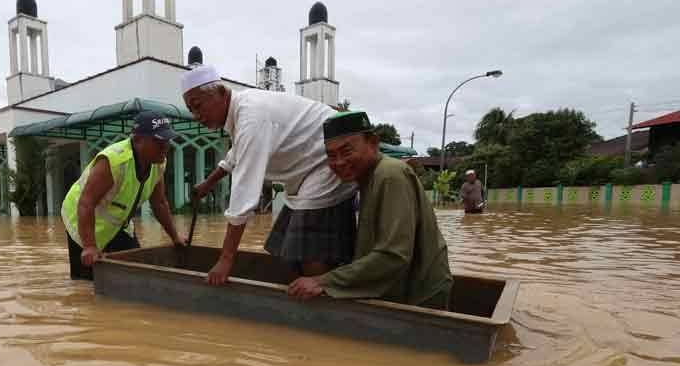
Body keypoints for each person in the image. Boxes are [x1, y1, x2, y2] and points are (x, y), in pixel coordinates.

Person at [181, 65, 357, 286]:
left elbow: (243, 195)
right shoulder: (241, 112)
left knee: (311, 250)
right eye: (191, 110)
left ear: (222, 93)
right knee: (287, 248)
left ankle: (318, 303)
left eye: (198, 106)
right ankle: (302, 295)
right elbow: (235, 155)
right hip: (305, 172)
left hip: (329, 163)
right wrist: (208, 183)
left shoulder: (251, 117)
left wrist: (226, 260)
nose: (197, 116)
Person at [288, 111, 453, 309]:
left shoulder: (390, 175)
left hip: (420, 294)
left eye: (347, 151)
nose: (339, 162)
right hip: (403, 287)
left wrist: (322, 281)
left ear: (373, 143)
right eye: (331, 155)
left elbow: (393, 255)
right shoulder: (365, 178)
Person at [61, 111, 185, 280]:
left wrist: (175, 237)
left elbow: (160, 203)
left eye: (167, 140)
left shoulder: (158, 162)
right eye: (158, 141)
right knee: (87, 283)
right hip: (81, 219)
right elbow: (86, 203)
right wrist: (89, 246)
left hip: (119, 223)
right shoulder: (113, 161)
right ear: (137, 140)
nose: (165, 147)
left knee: (136, 272)